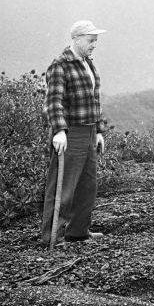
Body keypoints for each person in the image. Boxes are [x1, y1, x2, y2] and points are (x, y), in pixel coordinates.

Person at [40, 20, 108, 245]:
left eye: (95, 40)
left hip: (88, 132)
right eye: (91, 40)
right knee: (64, 185)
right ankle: (53, 237)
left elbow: (93, 100)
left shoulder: (87, 63)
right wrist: (59, 130)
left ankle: (78, 232)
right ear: (76, 39)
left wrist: (98, 130)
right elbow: (53, 101)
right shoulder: (60, 64)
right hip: (71, 133)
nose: (94, 44)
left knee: (87, 185)